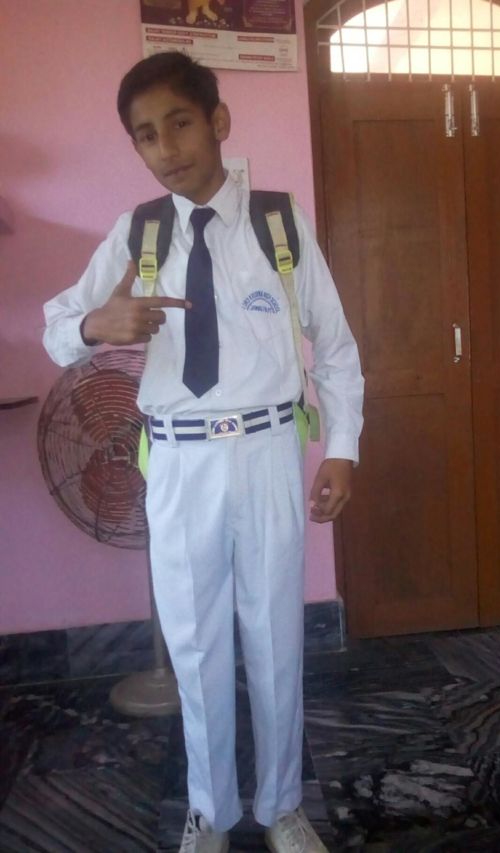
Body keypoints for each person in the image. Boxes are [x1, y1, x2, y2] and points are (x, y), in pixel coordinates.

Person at [42, 52, 363, 853]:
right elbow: (57, 327)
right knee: (194, 644)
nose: (166, 147)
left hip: (267, 454)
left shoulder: (280, 225)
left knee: (275, 637)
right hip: (179, 464)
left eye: (179, 123)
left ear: (218, 121)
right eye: (146, 135)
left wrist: (343, 446)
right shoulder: (136, 232)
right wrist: (97, 325)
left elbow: (334, 346)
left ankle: (282, 805)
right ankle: (209, 811)